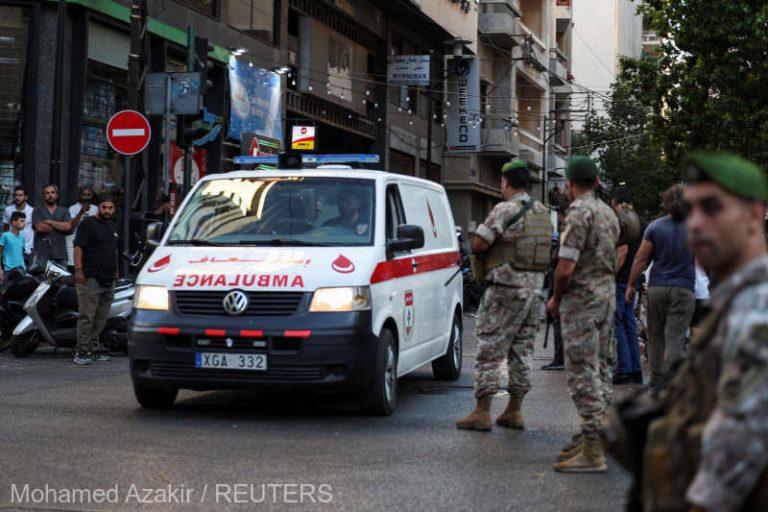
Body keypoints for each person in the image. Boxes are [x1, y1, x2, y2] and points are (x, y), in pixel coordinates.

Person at [641, 152, 768, 511]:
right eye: (692, 210)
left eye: (712, 209)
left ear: (754, 215)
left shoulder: (756, 311)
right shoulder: (731, 301)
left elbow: (740, 448)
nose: (695, 224)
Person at [456, 159, 551, 431]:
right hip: (534, 290)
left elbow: (480, 243)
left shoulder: (504, 209)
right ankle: (515, 410)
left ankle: (482, 411)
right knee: (521, 349)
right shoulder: (542, 212)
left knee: (489, 347)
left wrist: (473, 246)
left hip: (505, 290)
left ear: (506, 182)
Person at [547, 156, 619, 473]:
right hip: (606, 297)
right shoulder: (608, 212)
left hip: (583, 301)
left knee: (580, 372)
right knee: (601, 369)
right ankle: (593, 435)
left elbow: (565, 268)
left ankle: (592, 450)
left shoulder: (579, 212)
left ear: (570, 184)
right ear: (597, 179)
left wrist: (555, 299)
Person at [626, 185, 696, 389]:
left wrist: (631, 284)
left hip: (657, 288)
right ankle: (670, 381)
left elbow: (641, 258)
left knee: (655, 336)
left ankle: (656, 379)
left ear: (666, 204)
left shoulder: (655, 227)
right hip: (684, 288)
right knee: (676, 337)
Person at [72, 195, 119, 366]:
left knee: (101, 317)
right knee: (87, 316)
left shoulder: (113, 226)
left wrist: (116, 273)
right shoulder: (88, 224)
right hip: (90, 278)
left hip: (109, 279)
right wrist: (79, 270)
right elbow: (78, 247)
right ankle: (81, 351)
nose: (107, 210)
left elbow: (113, 251)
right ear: (98, 207)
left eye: (110, 208)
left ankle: (92, 349)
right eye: (104, 207)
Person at [611, 187, 646, 385]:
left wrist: (610, 274)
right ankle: (635, 369)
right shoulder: (641, 223)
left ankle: (623, 369)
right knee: (629, 323)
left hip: (620, 279)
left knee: (617, 323)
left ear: (615, 202)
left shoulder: (621, 222)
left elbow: (622, 251)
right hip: (633, 280)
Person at [32, 184, 81, 268]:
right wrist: (60, 226)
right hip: (42, 254)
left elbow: (68, 227)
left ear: (57, 195)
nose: (50, 195)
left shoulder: (64, 211)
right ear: (44, 196)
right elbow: (39, 228)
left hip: (60, 254)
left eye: (52, 192)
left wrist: (50, 222)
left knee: (61, 280)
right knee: (43, 280)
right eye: (47, 193)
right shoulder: (37, 210)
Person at [542, 209, 565, 371]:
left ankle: (560, 358)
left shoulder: (567, 234)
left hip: (562, 287)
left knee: (558, 322)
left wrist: (555, 297)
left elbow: (562, 268)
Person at [2, 185, 34, 267]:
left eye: (20, 195)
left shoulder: (32, 211)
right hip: (11, 250)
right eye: (15, 195)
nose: (17, 197)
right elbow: (6, 229)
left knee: (26, 277)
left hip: (27, 250)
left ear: (26, 197)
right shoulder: (8, 210)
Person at [66, 185, 99, 266]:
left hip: (91, 242)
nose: (86, 197)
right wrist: (81, 212)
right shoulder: (73, 208)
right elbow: (71, 226)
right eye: (84, 194)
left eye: (88, 195)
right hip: (76, 241)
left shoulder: (95, 208)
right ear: (80, 195)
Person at [0, 211, 27, 283]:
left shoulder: (22, 238)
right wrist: (0, 270)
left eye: (24, 221)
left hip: (22, 270)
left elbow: (20, 253)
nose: (24, 223)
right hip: (9, 271)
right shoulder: (5, 236)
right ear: (14, 222)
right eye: (22, 221)